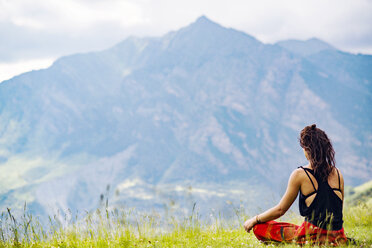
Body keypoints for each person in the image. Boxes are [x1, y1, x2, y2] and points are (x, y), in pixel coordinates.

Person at [244, 124, 348, 245]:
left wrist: (254, 219)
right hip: (338, 237)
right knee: (294, 227)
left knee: (260, 227)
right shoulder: (338, 173)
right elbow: (337, 212)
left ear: (306, 149)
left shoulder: (300, 174)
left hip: (313, 237)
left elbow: (280, 210)